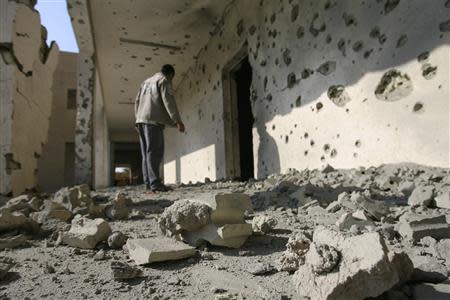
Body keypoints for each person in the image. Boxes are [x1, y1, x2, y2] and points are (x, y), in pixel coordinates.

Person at [134, 64, 185, 192]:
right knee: (155, 152)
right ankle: (156, 184)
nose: (171, 81)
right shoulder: (163, 80)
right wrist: (177, 120)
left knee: (146, 153)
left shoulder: (145, 82)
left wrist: (137, 119)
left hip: (141, 120)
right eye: (172, 78)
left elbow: (137, 102)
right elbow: (168, 100)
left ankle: (148, 183)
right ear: (170, 75)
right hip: (152, 121)